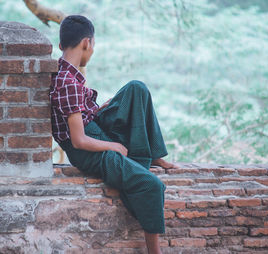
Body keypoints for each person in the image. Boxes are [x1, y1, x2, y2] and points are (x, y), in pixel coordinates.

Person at [49, 14, 178, 254]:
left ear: (61, 45)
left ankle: (154, 154)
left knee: (136, 89)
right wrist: (113, 147)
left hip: (94, 127)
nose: (92, 49)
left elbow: (80, 115)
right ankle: (155, 251)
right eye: (94, 45)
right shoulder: (67, 82)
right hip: (88, 151)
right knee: (152, 185)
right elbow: (78, 140)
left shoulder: (70, 74)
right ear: (87, 43)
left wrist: (100, 108)